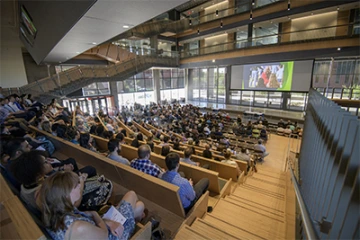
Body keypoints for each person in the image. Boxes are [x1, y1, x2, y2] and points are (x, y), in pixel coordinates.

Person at [37, 171, 144, 240]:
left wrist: (103, 220)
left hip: (96, 229)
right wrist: (95, 214)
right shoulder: (78, 228)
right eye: (76, 185)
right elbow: (104, 234)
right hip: (113, 235)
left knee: (138, 207)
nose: (80, 185)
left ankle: (137, 219)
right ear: (66, 195)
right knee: (133, 196)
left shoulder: (55, 211)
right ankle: (137, 227)